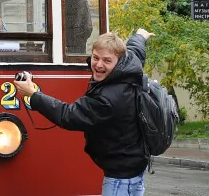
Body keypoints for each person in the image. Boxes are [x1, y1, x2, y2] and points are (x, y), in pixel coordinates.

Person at [14, 28, 155, 196]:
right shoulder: (130, 66)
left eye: (107, 61)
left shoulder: (109, 98)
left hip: (120, 177)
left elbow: (68, 115)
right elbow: (135, 49)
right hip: (133, 166)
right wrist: (141, 36)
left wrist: (33, 94)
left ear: (119, 61)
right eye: (96, 58)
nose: (99, 65)